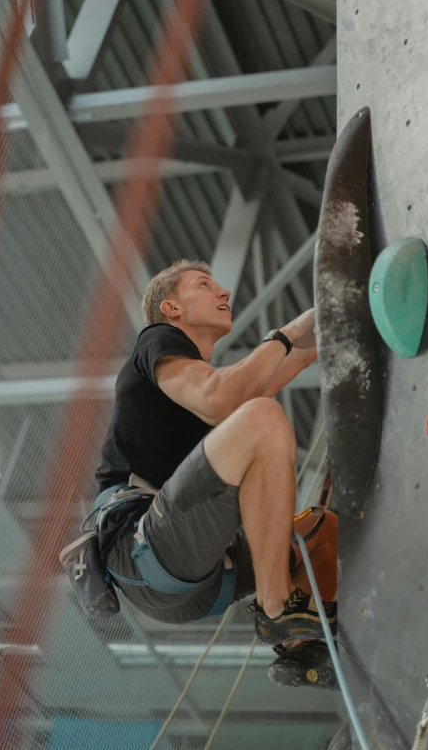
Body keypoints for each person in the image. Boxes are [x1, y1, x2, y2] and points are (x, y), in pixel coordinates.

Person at [96, 259, 338, 689]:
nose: (224, 292)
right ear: (170, 307)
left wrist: (345, 317)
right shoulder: (157, 340)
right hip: (140, 547)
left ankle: (307, 650)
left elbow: (296, 360)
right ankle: (277, 609)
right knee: (262, 418)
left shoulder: (202, 387)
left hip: (200, 581)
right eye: (205, 285)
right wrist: (284, 335)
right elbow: (223, 398)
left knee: (320, 530)